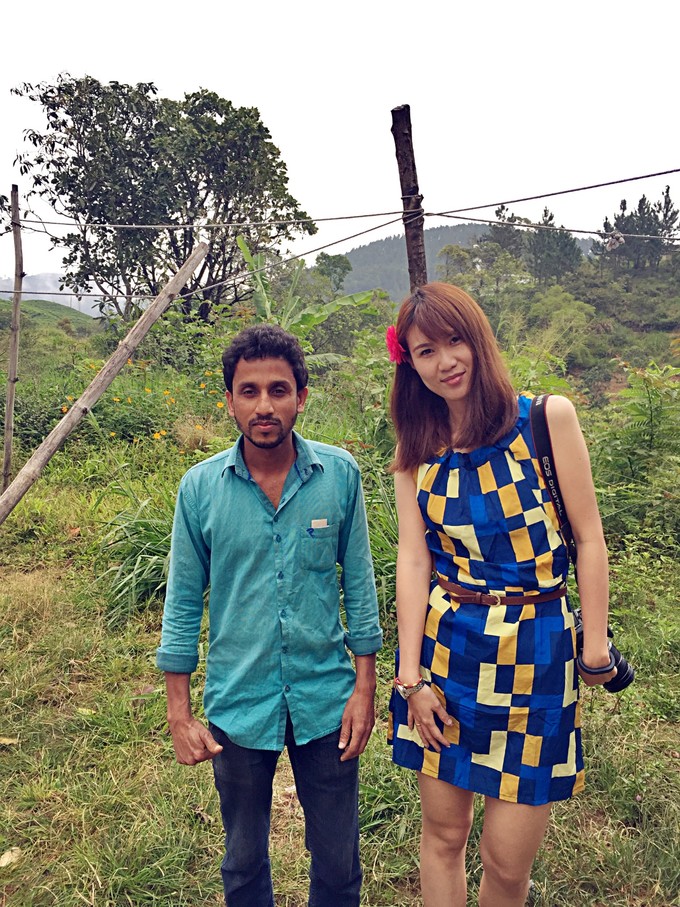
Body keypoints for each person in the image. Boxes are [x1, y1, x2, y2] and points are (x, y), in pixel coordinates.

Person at [386, 283, 616, 907]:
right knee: (443, 836)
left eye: (454, 340)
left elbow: (590, 539)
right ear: (410, 363)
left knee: (506, 863)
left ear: (478, 339)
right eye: (425, 351)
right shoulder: (417, 448)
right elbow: (414, 559)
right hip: (448, 655)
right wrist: (410, 679)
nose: (445, 362)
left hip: (537, 653)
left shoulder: (545, 420)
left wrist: (595, 645)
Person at [156, 323, 382, 907]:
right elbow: (182, 602)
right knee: (241, 861)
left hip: (326, 700)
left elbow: (360, 589)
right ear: (229, 400)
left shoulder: (339, 476)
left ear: (301, 397)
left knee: (337, 863)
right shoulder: (200, 488)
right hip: (238, 701)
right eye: (249, 391)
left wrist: (364, 689)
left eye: (278, 390)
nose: (264, 406)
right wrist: (180, 714)